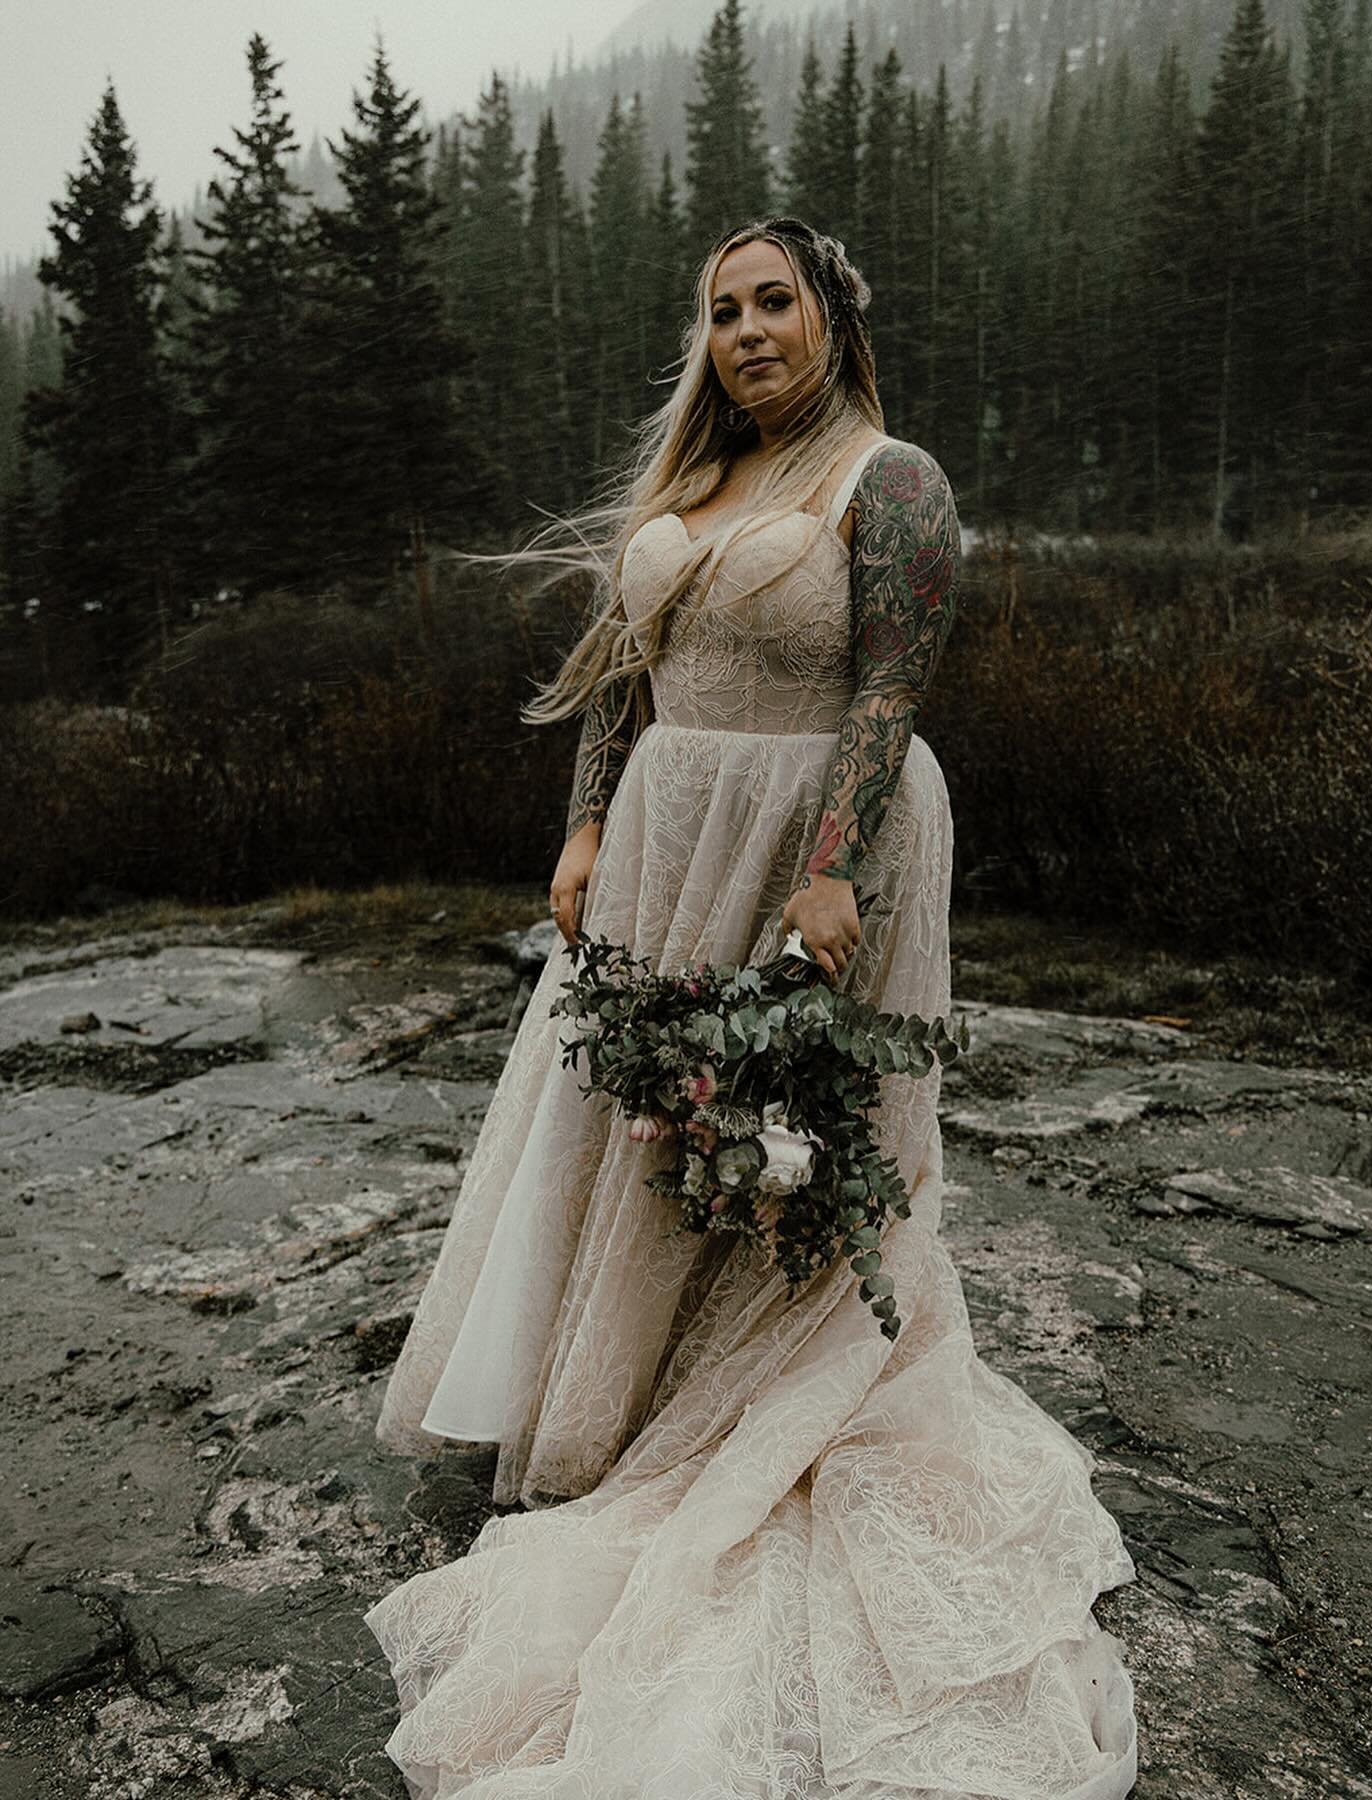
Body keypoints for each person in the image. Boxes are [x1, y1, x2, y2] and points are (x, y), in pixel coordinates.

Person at [363, 215, 1138, 1798]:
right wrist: (583, 825)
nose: (744, 332)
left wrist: (836, 866)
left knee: (786, 1123)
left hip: (809, 838)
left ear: (830, 317)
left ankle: (758, 1388)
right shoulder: (689, 485)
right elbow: (623, 671)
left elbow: (891, 686)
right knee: (646, 1114)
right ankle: (614, 1388)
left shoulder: (891, 478)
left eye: (771, 302)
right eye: (721, 311)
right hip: (665, 828)